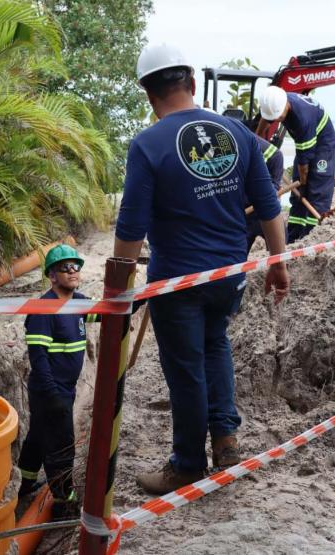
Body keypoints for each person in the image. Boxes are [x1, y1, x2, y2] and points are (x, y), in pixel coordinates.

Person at [114, 43, 291, 495]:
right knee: (215, 347)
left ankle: (189, 462)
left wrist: (117, 286)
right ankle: (226, 441)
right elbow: (269, 204)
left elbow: (131, 228)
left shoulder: (148, 145)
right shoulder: (236, 133)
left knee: (187, 367)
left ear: (148, 94)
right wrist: (277, 262)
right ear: (192, 83)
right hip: (228, 277)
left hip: (178, 283)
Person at [17, 244, 97, 519]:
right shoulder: (44, 310)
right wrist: (53, 395)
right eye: (65, 267)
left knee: (38, 437)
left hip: (62, 389)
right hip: (50, 391)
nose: (73, 271)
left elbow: (105, 311)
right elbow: (37, 357)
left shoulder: (77, 302)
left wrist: (137, 300)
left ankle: (25, 483)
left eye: (76, 266)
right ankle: (65, 502)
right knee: (62, 447)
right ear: (52, 276)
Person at [257, 85, 335, 243]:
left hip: (324, 145)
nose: (277, 120)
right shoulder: (275, 102)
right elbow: (264, 123)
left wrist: (303, 181)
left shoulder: (302, 119)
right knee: (298, 195)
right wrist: (257, 141)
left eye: (279, 117)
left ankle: (312, 236)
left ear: (286, 106)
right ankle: (294, 235)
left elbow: (303, 163)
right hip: (306, 144)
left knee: (316, 191)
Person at [246, 135, 285, 254]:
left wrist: (269, 194)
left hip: (265, 208)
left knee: (280, 249)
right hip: (244, 213)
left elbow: (277, 156)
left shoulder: (273, 155)